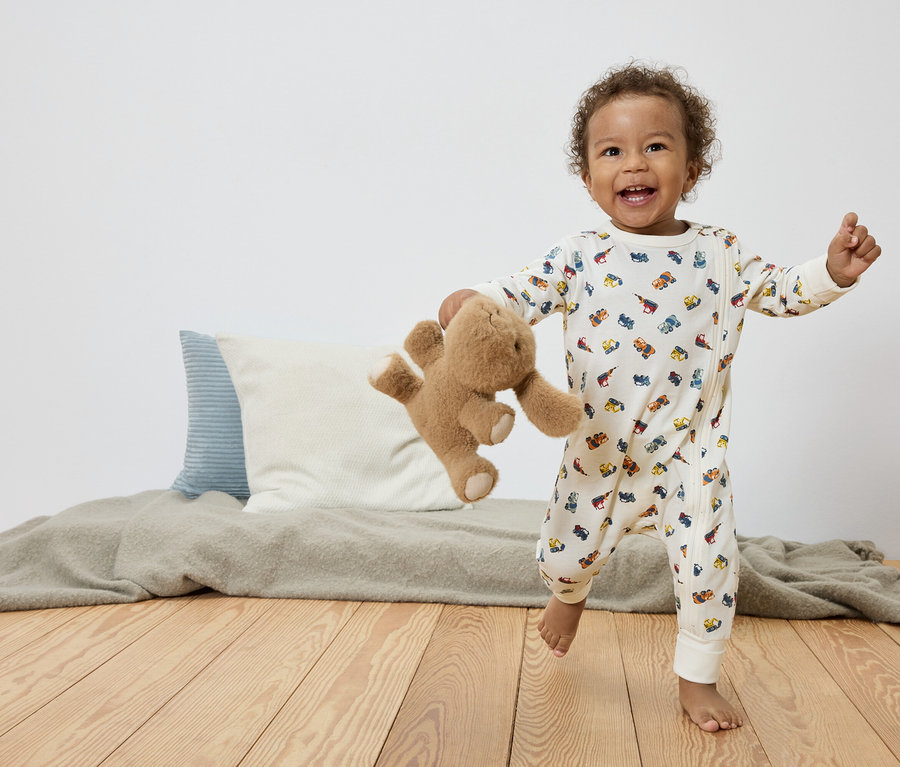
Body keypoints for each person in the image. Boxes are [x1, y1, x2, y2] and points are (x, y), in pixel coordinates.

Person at [438, 62, 881, 733]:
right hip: (598, 449)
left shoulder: (721, 254)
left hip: (689, 456)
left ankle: (695, 678)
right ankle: (570, 592)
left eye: (656, 145)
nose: (633, 163)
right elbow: (512, 301)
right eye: (610, 151)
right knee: (564, 551)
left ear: (692, 168)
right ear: (588, 178)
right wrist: (472, 308)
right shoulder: (579, 254)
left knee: (711, 571)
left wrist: (833, 272)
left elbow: (782, 293)